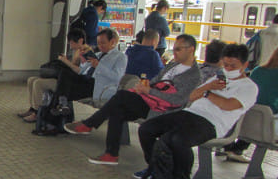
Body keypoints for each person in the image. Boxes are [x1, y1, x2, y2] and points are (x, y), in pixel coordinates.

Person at [136, 44, 258, 179]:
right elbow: (192, 96)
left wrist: (207, 93)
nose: (227, 68)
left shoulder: (249, 87)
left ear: (245, 65)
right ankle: (155, 167)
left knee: (178, 139)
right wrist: (208, 86)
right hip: (190, 113)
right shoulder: (217, 78)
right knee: (147, 128)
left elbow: (228, 105)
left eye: (232, 65)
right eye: (225, 64)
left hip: (213, 123)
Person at [65, 34, 201, 165]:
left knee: (121, 96)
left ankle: (89, 125)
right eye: (174, 49)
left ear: (191, 50)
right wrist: (145, 85)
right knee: (117, 110)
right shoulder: (173, 65)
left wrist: (149, 91)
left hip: (162, 110)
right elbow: (157, 80)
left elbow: (178, 100)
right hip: (150, 101)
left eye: (178, 49)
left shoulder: (193, 75)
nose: (174, 52)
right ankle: (111, 154)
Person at [18, 28, 90, 123]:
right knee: (31, 80)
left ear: (80, 40)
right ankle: (33, 108)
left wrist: (65, 61)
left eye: (72, 43)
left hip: (68, 83)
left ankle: (38, 112)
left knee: (38, 83)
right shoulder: (77, 51)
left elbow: (81, 72)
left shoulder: (86, 52)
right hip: (63, 78)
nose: (70, 46)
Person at [221, 45, 278, 162]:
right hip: (270, 125)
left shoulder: (257, 71)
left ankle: (235, 149)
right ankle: (236, 149)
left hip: (247, 122)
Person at [52, 27, 127, 107]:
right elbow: (81, 71)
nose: (100, 46)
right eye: (98, 43)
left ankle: (57, 105)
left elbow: (117, 77)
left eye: (103, 43)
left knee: (66, 81)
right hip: (85, 79)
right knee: (64, 73)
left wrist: (99, 66)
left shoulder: (120, 57)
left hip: (96, 84)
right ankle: (58, 105)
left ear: (112, 42)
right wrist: (83, 61)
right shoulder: (98, 54)